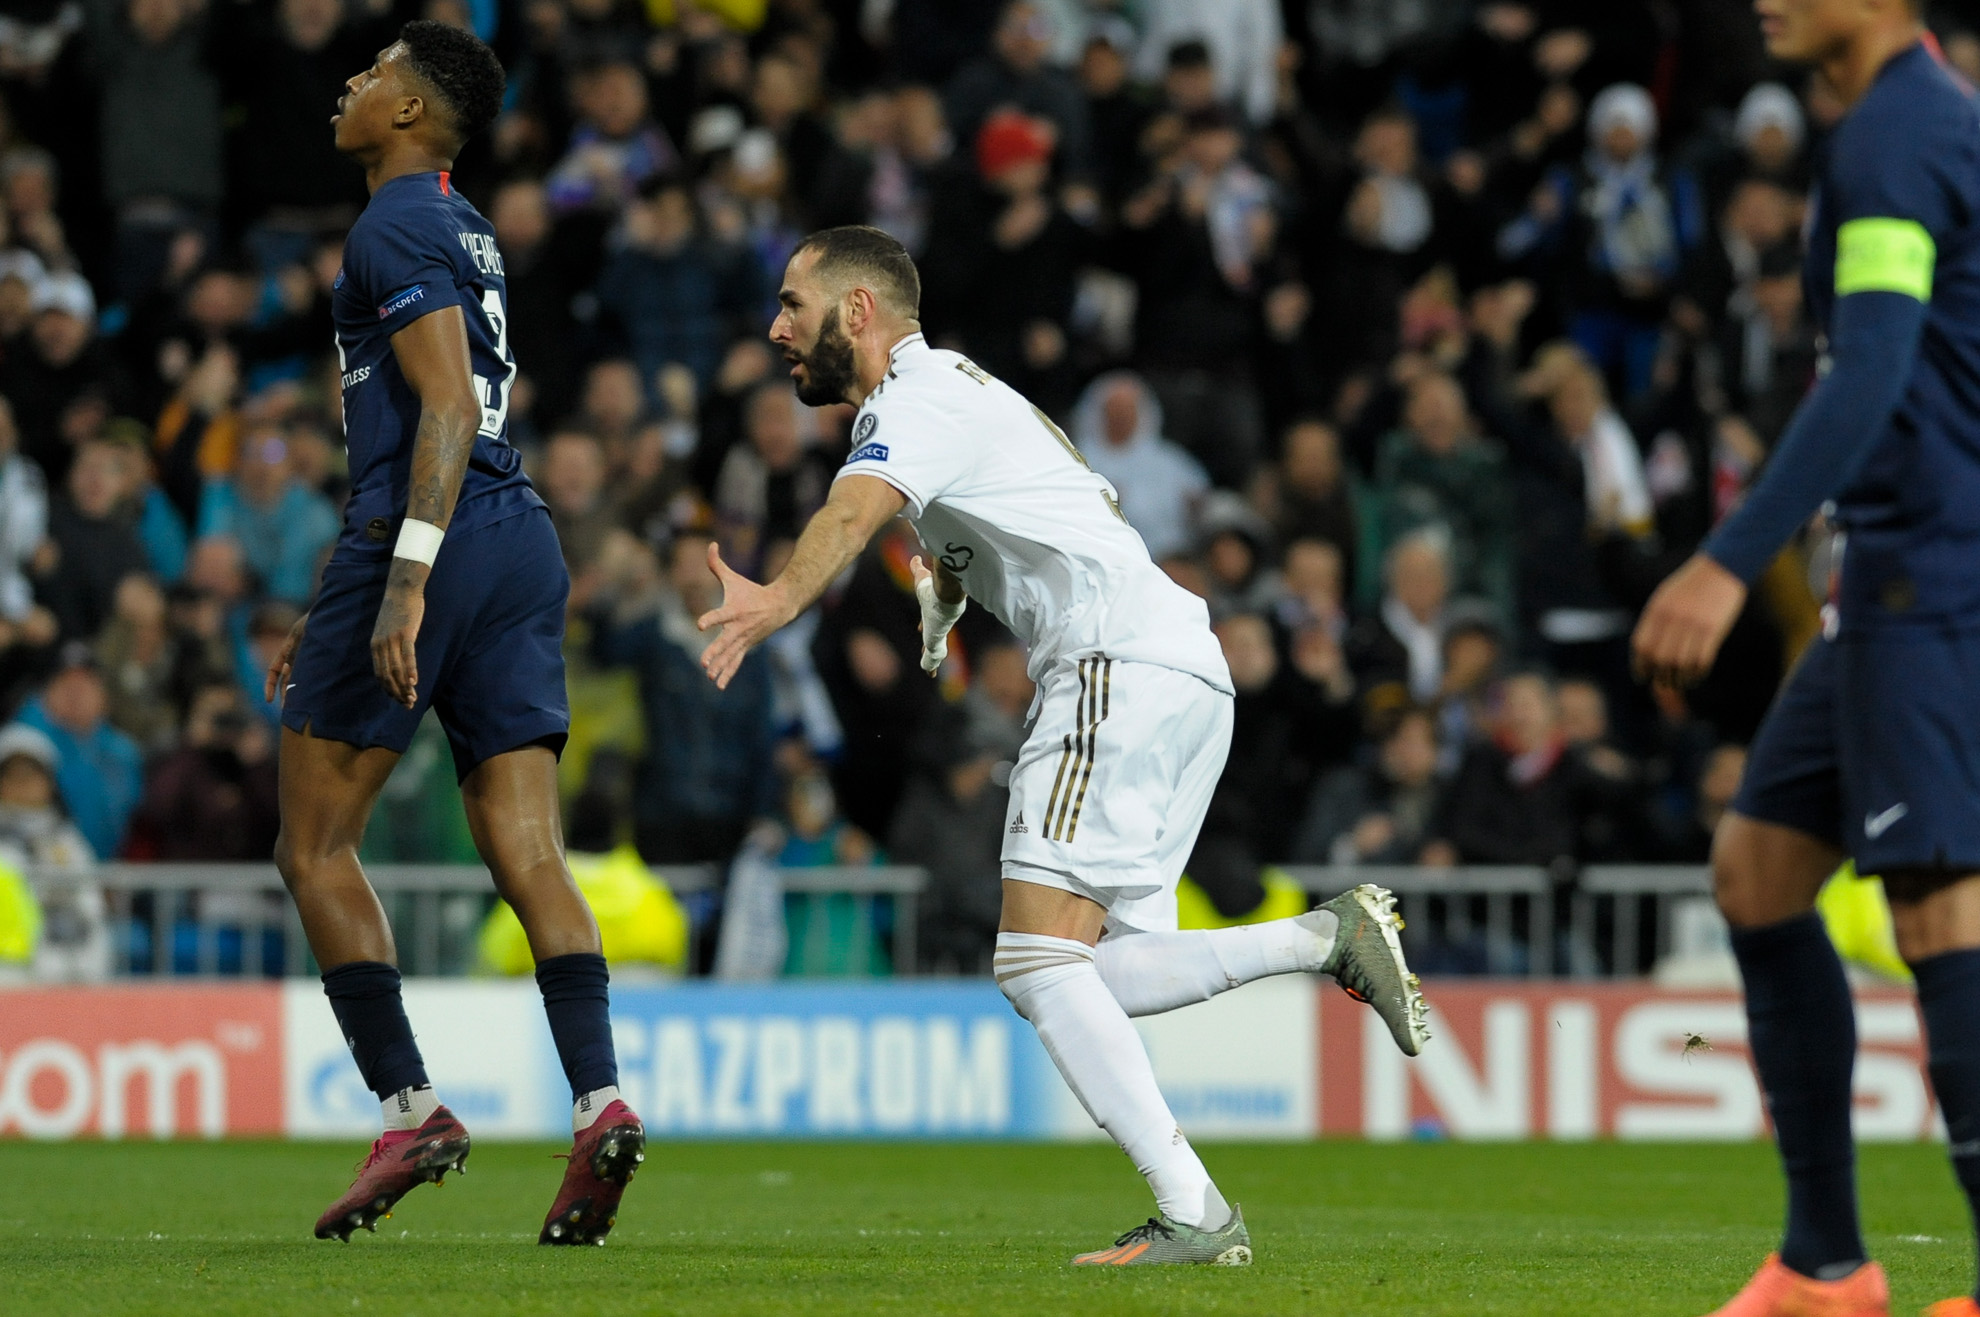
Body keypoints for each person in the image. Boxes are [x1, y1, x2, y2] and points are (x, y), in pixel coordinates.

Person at [694, 225, 1428, 1265]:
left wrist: (776, 598)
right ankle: (1320, 942)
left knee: (1037, 963)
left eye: (792, 306)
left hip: (1110, 667)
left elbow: (853, 513)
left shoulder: (914, 402)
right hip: (1178, 667)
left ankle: (1196, 1212)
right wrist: (946, 594)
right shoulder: (963, 394)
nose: (775, 329)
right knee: (1099, 966)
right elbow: (1044, 500)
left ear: (856, 312)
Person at [263, 23, 643, 1248]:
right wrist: (343, 578)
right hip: (517, 535)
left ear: (414, 113)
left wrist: (398, 581)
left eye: (372, 74)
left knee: (314, 845)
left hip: (437, 532)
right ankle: (599, 1102)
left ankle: (409, 1106)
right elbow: (428, 414)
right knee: (528, 848)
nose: (350, 85)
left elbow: (443, 404)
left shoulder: (391, 225)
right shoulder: (460, 222)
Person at [1630, 2, 1980, 1313]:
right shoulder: (1904, 122)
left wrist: (1731, 558)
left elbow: (1878, 365)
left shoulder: (1899, 135)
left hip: (1936, 572)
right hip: (1895, 574)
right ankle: (1827, 1265)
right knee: (1759, 871)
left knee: (1942, 909)